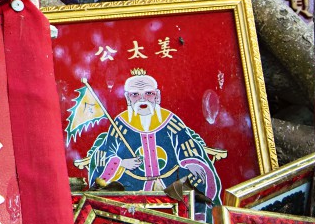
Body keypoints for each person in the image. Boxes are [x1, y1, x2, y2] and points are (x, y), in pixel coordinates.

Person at [85, 69, 222, 202]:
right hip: (133, 184)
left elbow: (186, 144)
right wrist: (121, 163)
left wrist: (191, 162)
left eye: (148, 93)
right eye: (135, 95)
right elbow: (106, 152)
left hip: (170, 181)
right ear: (128, 98)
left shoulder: (169, 120)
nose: (142, 99)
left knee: (197, 178)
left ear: (157, 96)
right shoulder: (121, 124)